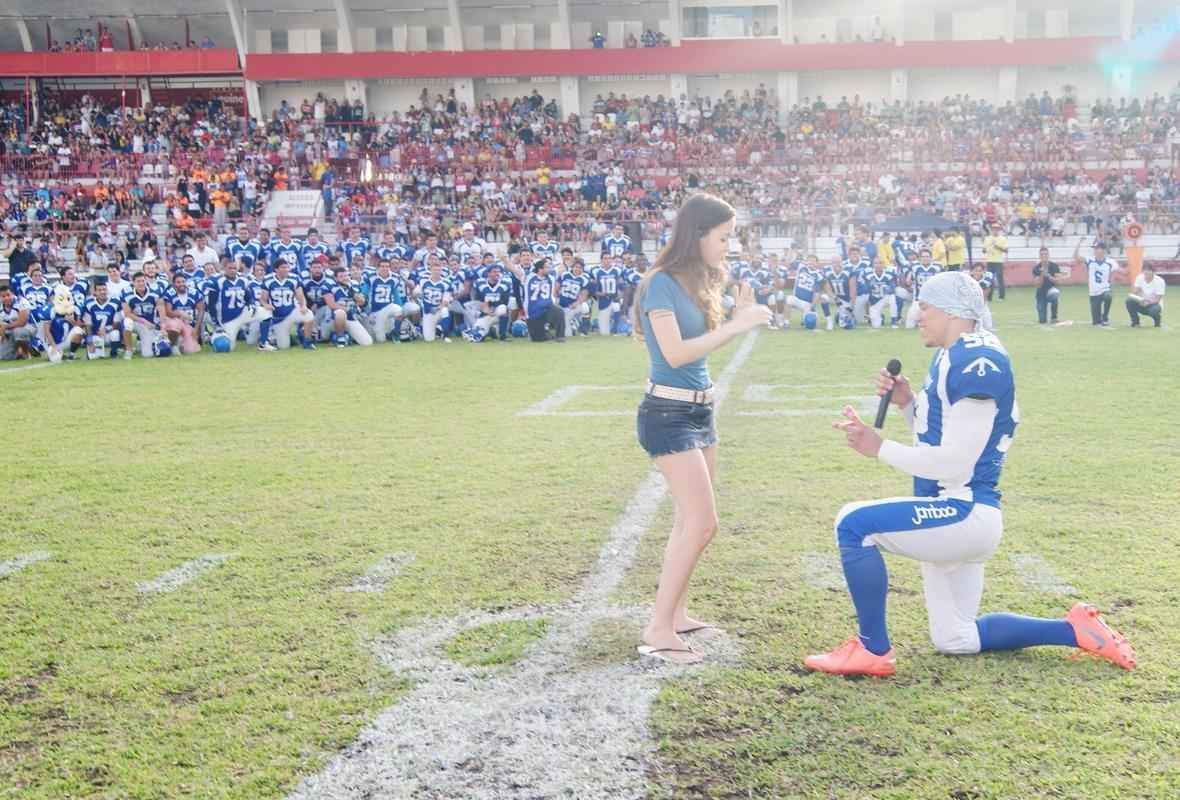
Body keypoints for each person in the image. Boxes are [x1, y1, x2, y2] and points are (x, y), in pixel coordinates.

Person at [807, 270, 1135, 677]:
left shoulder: (977, 359)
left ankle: (872, 649)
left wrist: (880, 448)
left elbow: (956, 463)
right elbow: (942, 440)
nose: (916, 316)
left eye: (924, 306)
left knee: (853, 523)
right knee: (955, 638)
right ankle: (1075, 630)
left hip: (964, 510)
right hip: (954, 511)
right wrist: (907, 403)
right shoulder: (951, 354)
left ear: (951, 310)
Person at [632, 193, 771, 664]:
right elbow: (674, 354)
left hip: (700, 413)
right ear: (698, 234)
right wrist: (737, 327)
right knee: (703, 523)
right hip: (667, 415)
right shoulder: (660, 285)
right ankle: (657, 629)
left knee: (688, 521)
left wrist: (733, 318)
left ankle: (677, 612)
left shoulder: (701, 281)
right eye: (724, 237)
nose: (728, 246)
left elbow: (699, 346)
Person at [1075, 240, 1122, 327]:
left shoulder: (1110, 262)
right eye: (1095, 249)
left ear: (1103, 250)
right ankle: (1099, 318)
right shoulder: (1090, 259)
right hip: (1093, 292)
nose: (1095, 250)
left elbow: (1120, 272)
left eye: (1097, 248)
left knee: (1108, 296)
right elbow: (1076, 257)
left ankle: (1105, 317)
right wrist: (1079, 244)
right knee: (1096, 323)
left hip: (1105, 289)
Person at [1032, 247, 1062, 324]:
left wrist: (1049, 276)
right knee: (1042, 320)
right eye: (1042, 254)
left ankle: (1054, 317)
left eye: (1046, 254)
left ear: (1048, 255)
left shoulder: (1054, 266)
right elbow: (1038, 285)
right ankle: (1043, 314)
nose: (1044, 256)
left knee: (1055, 293)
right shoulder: (1036, 268)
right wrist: (1042, 273)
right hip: (1041, 293)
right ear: (1039, 256)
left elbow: (1058, 281)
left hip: (1051, 291)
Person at [983, 222, 1008, 299]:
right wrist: (986, 249)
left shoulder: (1003, 239)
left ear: (999, 230)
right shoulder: (987, 238)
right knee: (989, 279)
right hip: (989, 260)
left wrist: (996, 246)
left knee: (1000, 279)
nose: (995, 230)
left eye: (997, 229)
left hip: (998, 261)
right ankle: (989, 297)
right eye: (993, 229)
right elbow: (984, 250)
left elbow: (1006, 250)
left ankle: (1001, 296)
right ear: (991, 230)